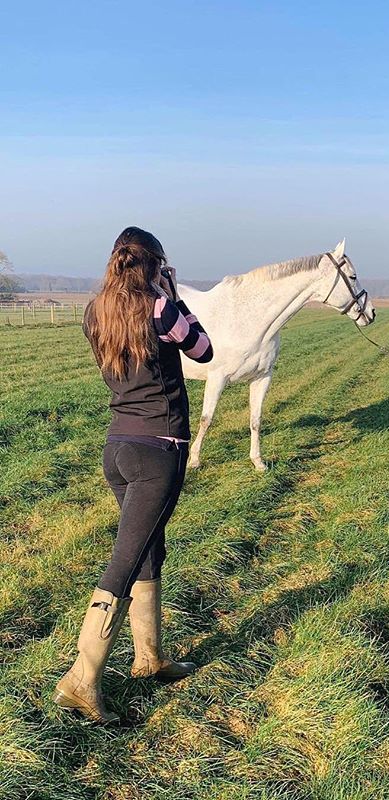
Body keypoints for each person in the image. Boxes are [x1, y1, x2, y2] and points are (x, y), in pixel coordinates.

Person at [53, 226, 213, 724]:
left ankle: (150, 658)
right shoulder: (161, 308)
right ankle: (82, 678)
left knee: (148, 548)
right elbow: (204, 350)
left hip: (118, 447)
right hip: (158, 452)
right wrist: (173, 294)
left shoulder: (93, 311)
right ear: (154, 264)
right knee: (124, 562)